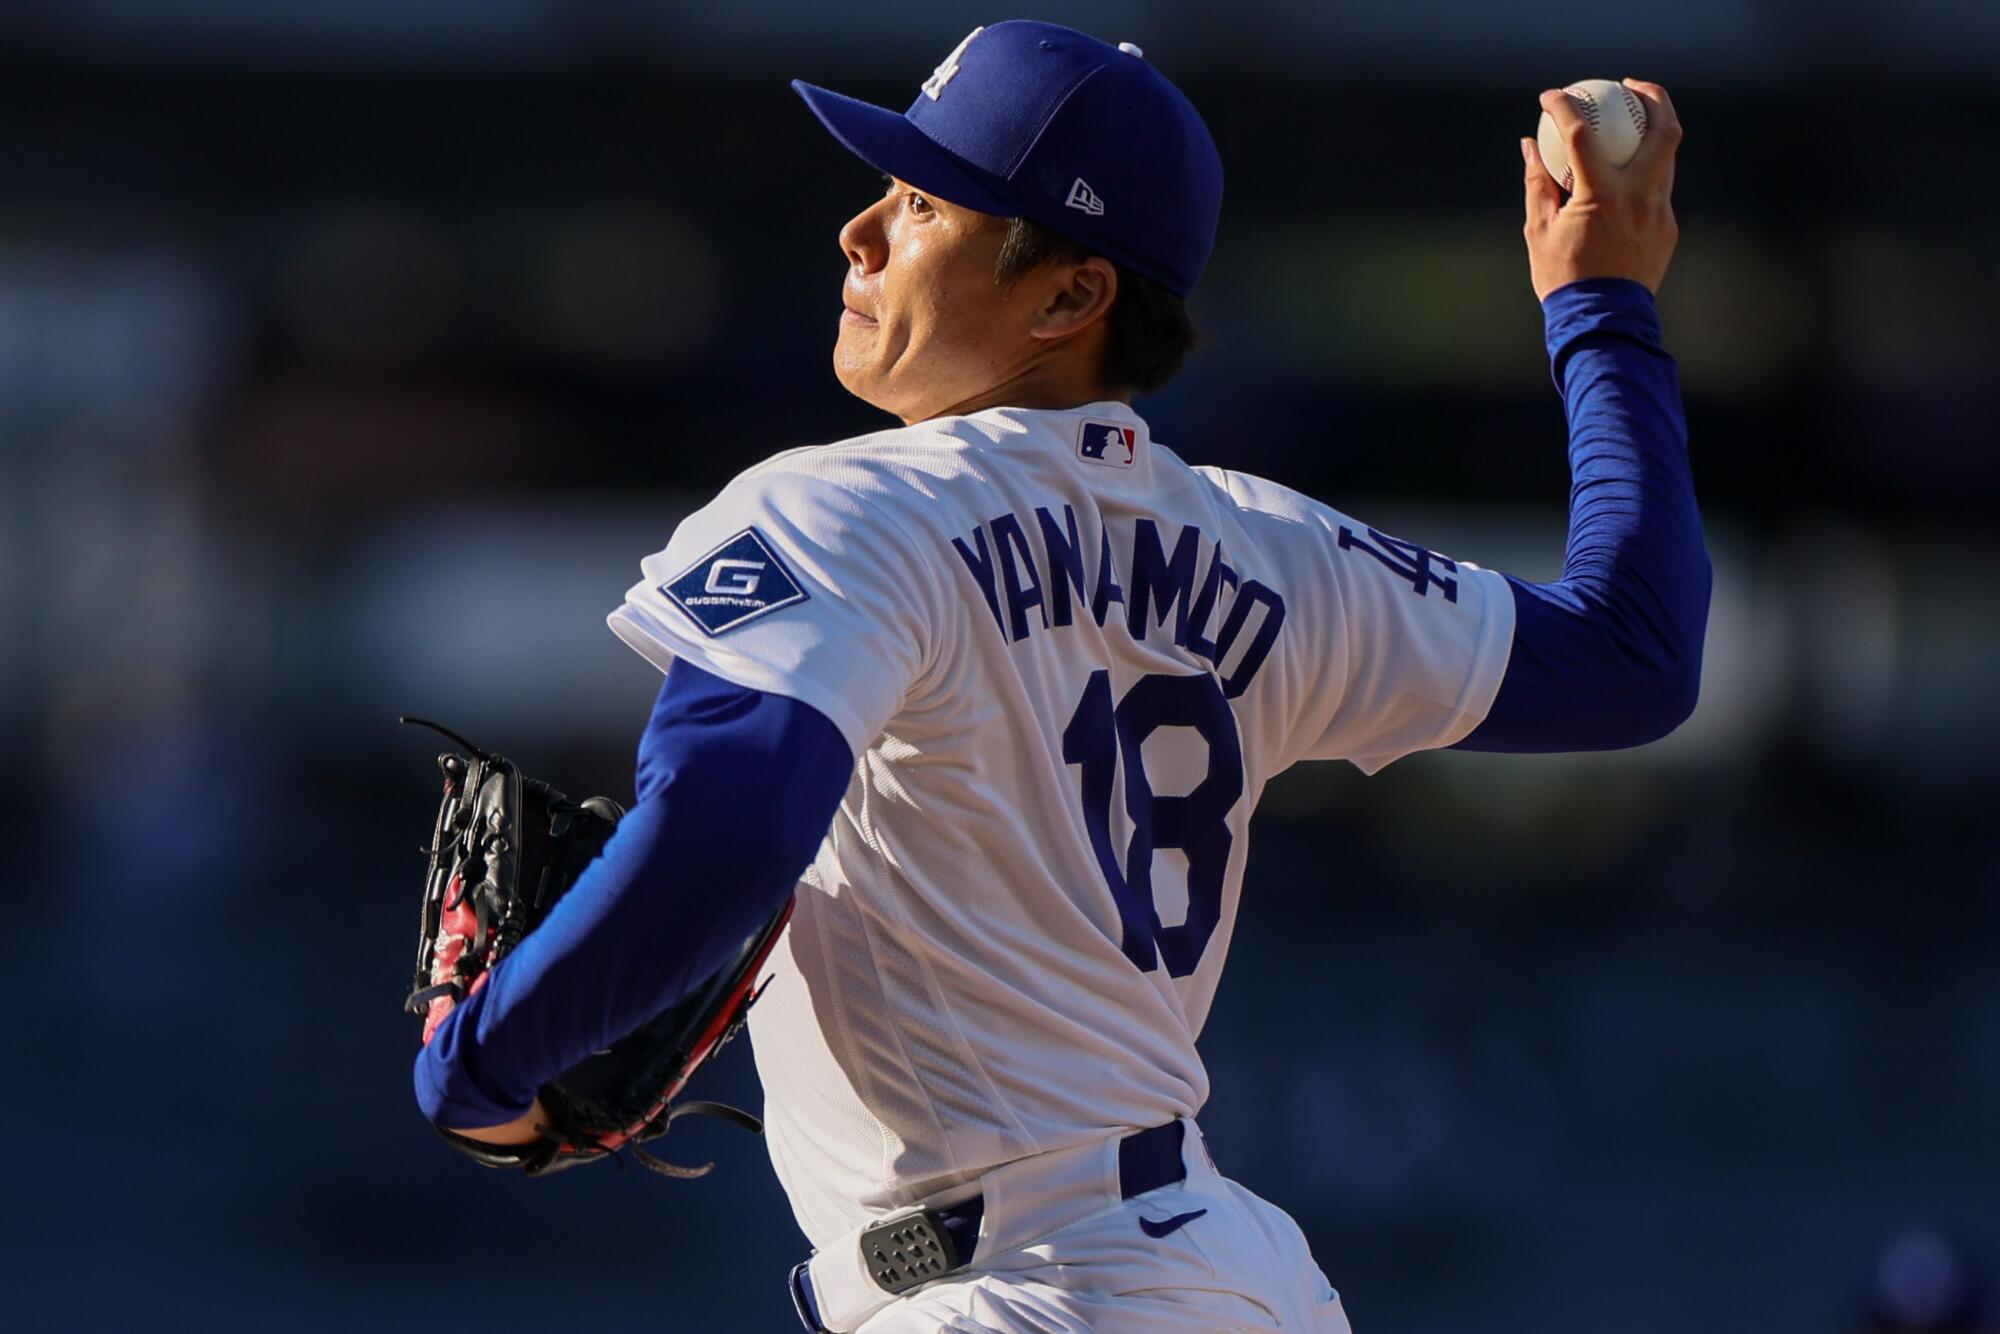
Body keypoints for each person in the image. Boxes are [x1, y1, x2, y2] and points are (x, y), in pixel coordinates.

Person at [412, 20, 1706, 1333]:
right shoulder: (1271, 548)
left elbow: (729, 828)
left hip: (1018, 1292)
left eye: (921, 203)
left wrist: (486, 1061)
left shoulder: (850, 512)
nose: (860, 233)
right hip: (1231, 1281)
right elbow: (1632, 656)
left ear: (1070, 297)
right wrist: (1601, 306)